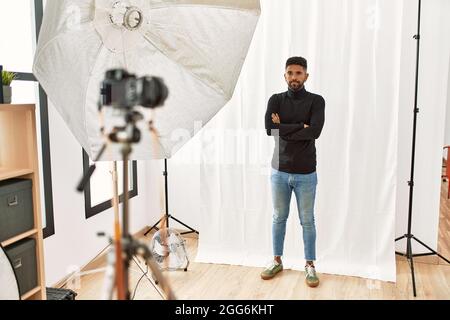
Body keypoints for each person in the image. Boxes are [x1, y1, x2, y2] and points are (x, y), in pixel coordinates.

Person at [261, 57, 325, 288]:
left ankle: (310, 265)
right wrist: (301, 126)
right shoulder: (276, 100)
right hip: (279, 170)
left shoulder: (316, 101)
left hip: (306, 172)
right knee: (279, 218)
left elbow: (315, 132)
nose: (294, 77)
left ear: (306, 76)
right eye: (290, 73)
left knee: (307, 220)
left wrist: (284, 127)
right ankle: (276, 260)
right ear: (285, 75)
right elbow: (270, 129)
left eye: (299, 73)